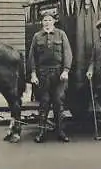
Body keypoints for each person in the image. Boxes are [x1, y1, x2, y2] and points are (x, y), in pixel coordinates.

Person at [27, 10, 73, 143]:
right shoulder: (37, 36)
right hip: (43, 74)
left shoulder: (61, 34)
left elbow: (68, 54)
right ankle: (41, 132)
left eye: (49, 20)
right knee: (44, 103)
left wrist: (66, 70)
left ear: (54, 21)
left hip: (59, 75)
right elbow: (32, 57)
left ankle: (61, 132)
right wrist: (33, 73)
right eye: (45, 20)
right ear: (42, 22)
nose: (47, 23)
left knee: (58, 102)